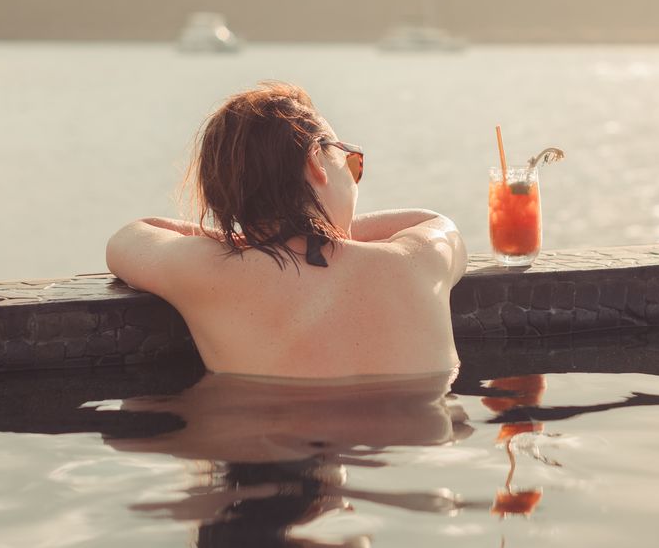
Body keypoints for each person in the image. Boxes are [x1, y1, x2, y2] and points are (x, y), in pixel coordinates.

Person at [106, 82, 467, 379]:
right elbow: (433, 221)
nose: (354, 176)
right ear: (317, 162)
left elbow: (132, 236)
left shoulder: (205, 271)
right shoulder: (420, 262)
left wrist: (255, 239)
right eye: (350, 161)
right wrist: (316, 233)